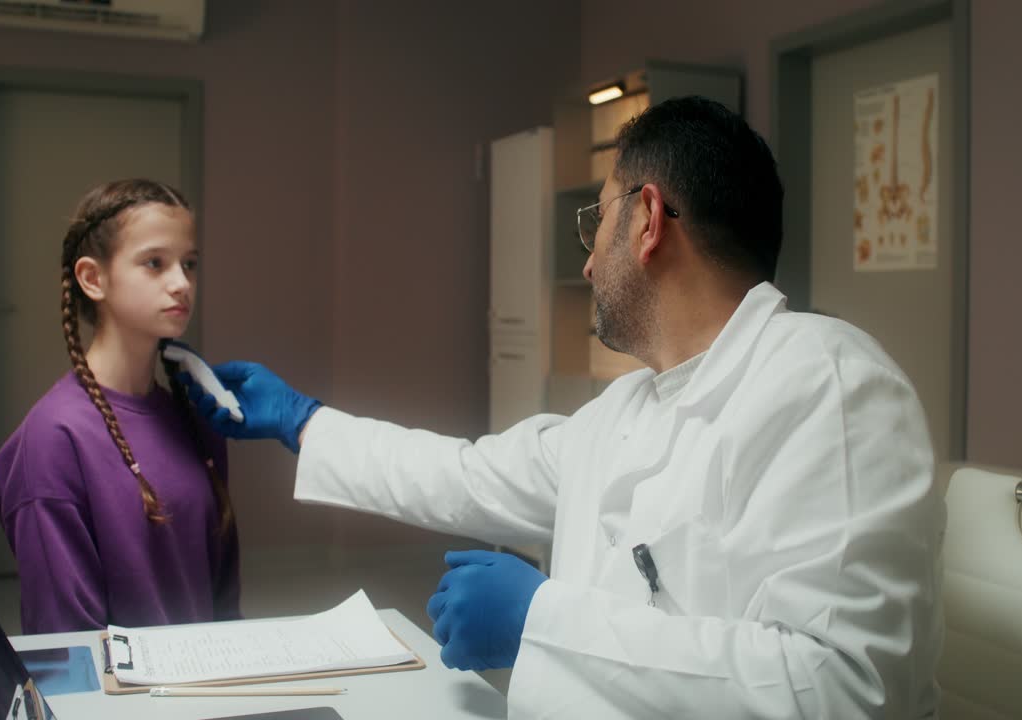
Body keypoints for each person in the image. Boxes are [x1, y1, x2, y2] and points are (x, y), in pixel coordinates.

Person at [184, 97, 943, 718]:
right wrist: (301, 420)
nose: (585, 261)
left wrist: (542, 620)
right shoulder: (625, 409)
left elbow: (843, 692)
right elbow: (463, 475)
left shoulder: (828, 385)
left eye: (596, 221)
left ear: (647, 220)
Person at [0, 178, 240, 634]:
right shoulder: (54, 438)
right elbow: (64, 639)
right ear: (93, 278)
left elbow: (223, 604)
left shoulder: (198, 419)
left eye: (190, 264)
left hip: (208, 689)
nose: (181, 283)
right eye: (154, 263)